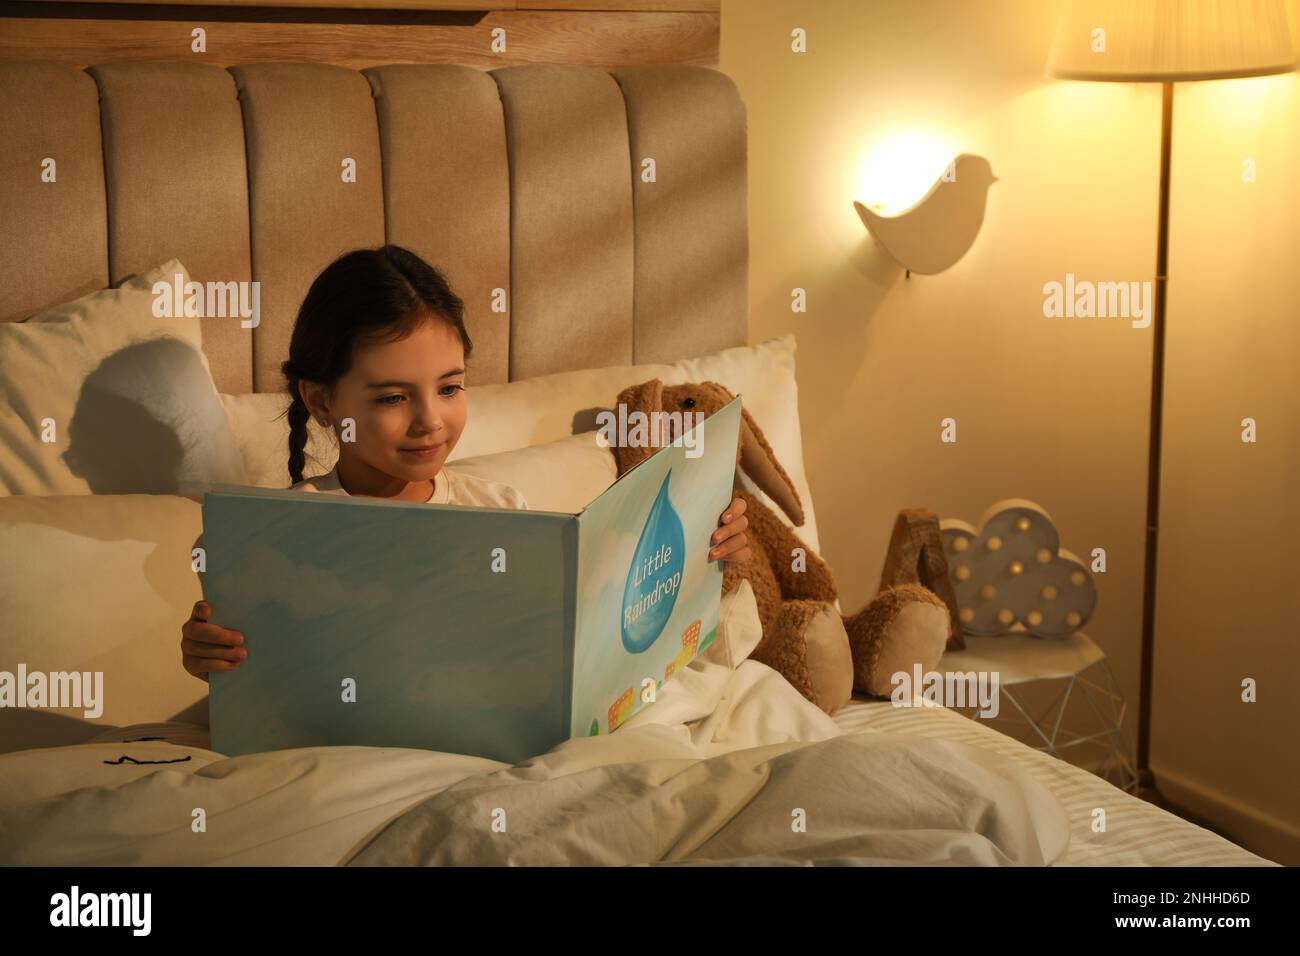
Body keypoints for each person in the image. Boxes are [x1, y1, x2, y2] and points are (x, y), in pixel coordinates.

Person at [181, 245, 751, 681]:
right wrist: (209, 655)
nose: (430, 420)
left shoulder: (504, 514)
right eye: (391, 398)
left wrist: (705, 558)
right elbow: (258, 677)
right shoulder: (275, 536)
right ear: (322, 400)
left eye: (449, 388)